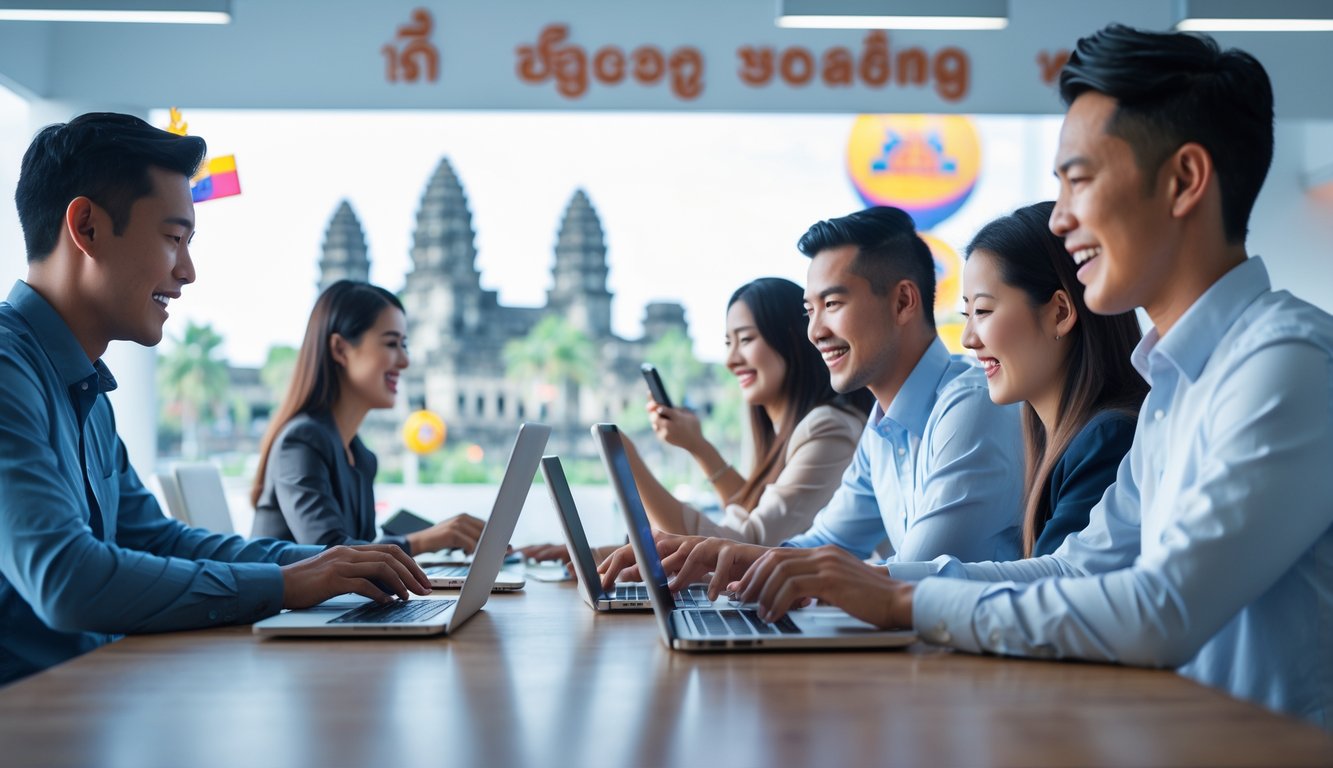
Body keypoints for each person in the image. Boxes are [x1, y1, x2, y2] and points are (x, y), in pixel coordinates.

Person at [715, 26, 1333, 728]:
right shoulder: (1177, 383)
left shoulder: (1285, 362)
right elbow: (1078, 567)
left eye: (1079, 180)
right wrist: (871, 580)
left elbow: (1162, 609)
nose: (1061, 220)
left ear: (1184, 180)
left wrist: (903, 600)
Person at [0, 113, 430, 685]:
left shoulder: (88, 392)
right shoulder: (8, 370)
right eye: (173, 239)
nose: (188, 271)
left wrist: (324, 564)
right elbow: (65, 580)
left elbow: (158, 539)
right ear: (88, 228)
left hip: (96, 696)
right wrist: (286, 584)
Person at [599, 205, 1025, 586]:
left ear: (902, 302)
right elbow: (825, 542)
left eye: (832, 304)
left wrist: (736, 558)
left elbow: (917, 575)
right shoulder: (881, 426)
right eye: (810, 311)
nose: (815, 332)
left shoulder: (970, 406)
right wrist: (711, 556)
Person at [959, 200, 1146, 558]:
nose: (968, 339)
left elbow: (1052, 584)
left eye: (982, 311)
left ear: (1060, 312)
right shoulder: (1062, 438)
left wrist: (892, 583)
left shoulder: (1108, 439)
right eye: (965, 313)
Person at [250, 280, 484, 556]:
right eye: (391, 344)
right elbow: (330, 553)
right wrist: (426, 540)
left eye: (404, 345)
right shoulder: (301, 441)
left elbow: (364, 553)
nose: (405, 361)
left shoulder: (361, 457)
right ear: (340, 349)